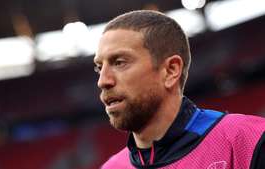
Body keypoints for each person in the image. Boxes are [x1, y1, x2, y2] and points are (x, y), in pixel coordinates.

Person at [93, 10, 265, 169]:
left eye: (119, 62)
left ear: (171, 71)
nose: (103, 81)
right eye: (99, 67)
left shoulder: (249, 141)